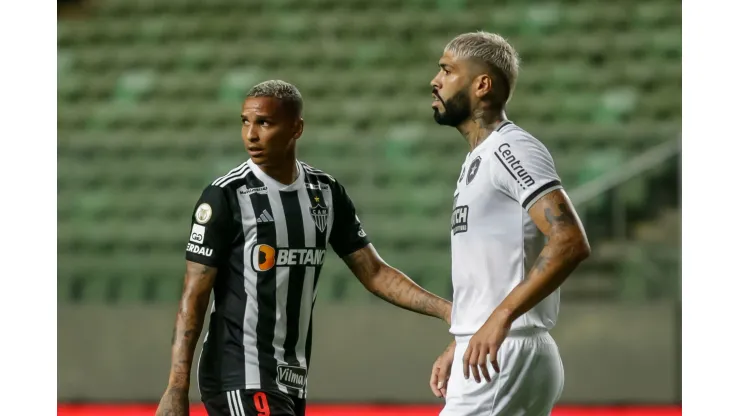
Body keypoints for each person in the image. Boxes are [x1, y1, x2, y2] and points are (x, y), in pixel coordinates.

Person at [154, 80, 452, 416]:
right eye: (245, 122)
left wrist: (445, 310)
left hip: (291, 378)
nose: (251, 134)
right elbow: (194, 293)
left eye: (264, 122)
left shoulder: (324, 192)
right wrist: (177, 386)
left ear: (296, 128)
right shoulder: (226, 196)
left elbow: (375, 272)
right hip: (239, 373)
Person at [427, 32, 591, 415]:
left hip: (504, 354)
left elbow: (569, 239)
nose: (435, 81)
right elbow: (495, 267)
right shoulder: (479, 158)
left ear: (482, 84)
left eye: (447, 70)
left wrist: (499, 319)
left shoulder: (510, 148)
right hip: (495, 350)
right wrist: (465, 336)